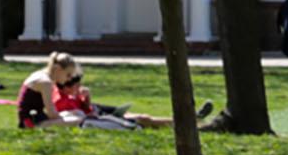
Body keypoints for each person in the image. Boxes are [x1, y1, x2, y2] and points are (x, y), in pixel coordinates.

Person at [18, 53, 175, 130]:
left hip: (34, 117)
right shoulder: (45, 82)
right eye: (67, 75)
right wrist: (66, 118)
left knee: (77, 116)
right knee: (78, 119)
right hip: (31, 122)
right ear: (58, 69)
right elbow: (52, 112)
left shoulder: (42, 76)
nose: (67, 80)